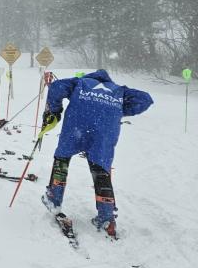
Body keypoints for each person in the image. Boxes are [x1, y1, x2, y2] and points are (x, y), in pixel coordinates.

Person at [41, 69, 153, 238]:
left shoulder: (80, 83)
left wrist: (55, 110)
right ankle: (106, 218)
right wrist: (119, 109)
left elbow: (56, 87)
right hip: (103, 133)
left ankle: (54, 199)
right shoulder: (118, 90)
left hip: (76, 127)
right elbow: (145, 99)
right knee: (101, 170)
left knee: (62, 159)